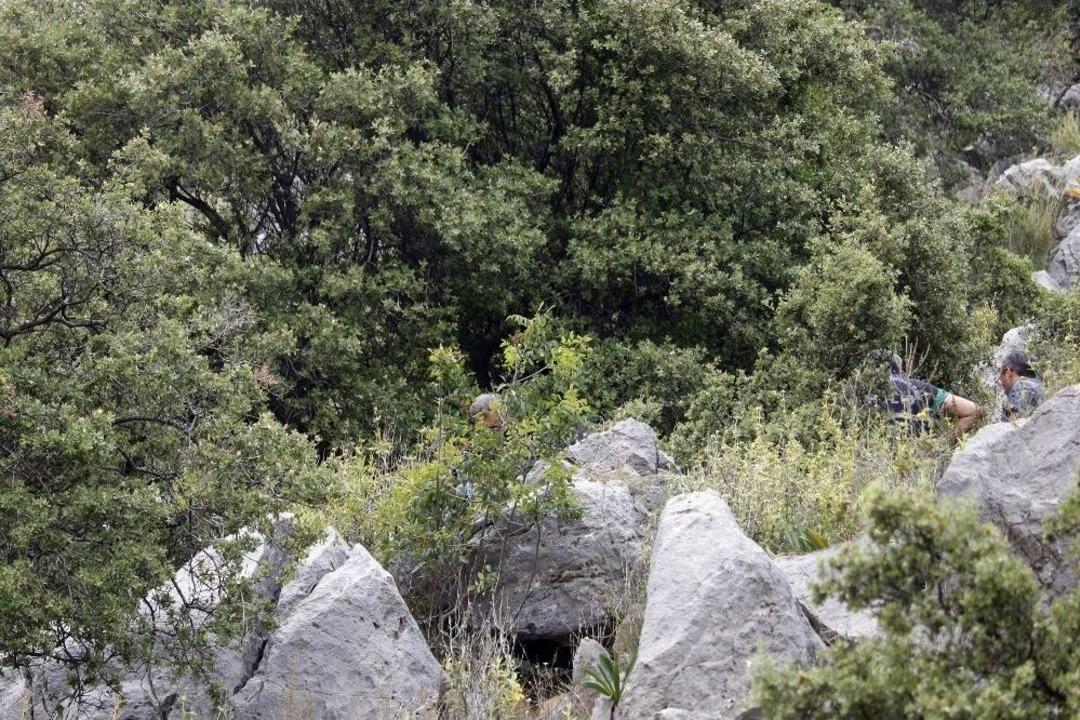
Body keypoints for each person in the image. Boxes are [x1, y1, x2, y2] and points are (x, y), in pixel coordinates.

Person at [867, 351, 980, 434]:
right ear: (899, 368)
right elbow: (974, 410)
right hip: (916, 459)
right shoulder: (918, 386)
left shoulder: (858, 390)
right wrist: (946, 443)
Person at [998, 350, 1044, 420]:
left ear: (1008, 372)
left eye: (1000, 377)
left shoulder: (1019, 388)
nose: (1000, 382)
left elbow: (1014, 424)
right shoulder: (1038, 385)